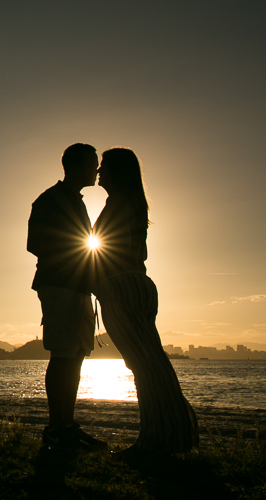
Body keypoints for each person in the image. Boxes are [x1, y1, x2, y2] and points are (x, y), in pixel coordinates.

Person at [92, 147, 199, 455]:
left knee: (144, 365)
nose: (99, 172)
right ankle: (171, 434)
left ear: (118, 172)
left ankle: (158, 440)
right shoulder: (133, 204)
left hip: (123, 287)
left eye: (104, 167)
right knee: (150, 363)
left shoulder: (119, 203)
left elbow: (109, 249)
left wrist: (97, 280)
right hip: (137, 284)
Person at [27, 143, 107, 450]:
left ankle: (67, 426)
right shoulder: (50, 200)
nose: (96, 170)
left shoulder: (74, 201)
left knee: (75, 355)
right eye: (91, 164)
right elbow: (35, 242)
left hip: (77, 286)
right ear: (74, 166)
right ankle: (56, 429)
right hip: (60, 285)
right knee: (63, 355)